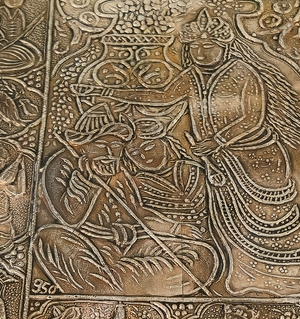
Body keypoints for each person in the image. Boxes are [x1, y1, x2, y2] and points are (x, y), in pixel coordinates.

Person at [73, 9, 300, 296]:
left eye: (208, 46)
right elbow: (160, 96)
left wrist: (217, 140)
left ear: (223, 46)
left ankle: (286, 281)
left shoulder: (242, 72)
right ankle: (243, 278)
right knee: (228, 222)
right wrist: (109, 93)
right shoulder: (192, 76)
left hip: (257, 159)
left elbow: (252, 117)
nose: (200, 52)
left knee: (267, 220)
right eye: (195, 46)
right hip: (218, 161)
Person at [36, 105, 218, 296]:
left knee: (201, 256)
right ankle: (119, 284)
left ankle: (111, 284)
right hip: (91, 249)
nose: (111, 153)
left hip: (129, 248)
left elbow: (138, 213)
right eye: (102, 146)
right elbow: (70, 219)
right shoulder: (61, 166)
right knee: (48, 239)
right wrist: (87, 181)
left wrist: (175, 228)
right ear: (83, 145)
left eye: (116, 146)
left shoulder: (119, 171)